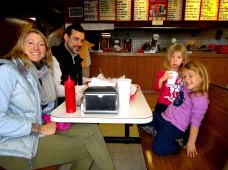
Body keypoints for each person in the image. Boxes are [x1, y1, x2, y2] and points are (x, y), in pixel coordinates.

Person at [0, 29, 114, 170]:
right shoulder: (7, 71)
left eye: (41, 44)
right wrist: (39, 128)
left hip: (38, 130)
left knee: (91, 129)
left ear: (46, 49)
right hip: (14, 147)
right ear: (20, 46)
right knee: (90, 147)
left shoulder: (36, 72)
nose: (36, 48)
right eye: (30, 43)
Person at [150, 61, 209, 157]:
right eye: (184, 76)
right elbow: (176, 75)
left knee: (158, 148)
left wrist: (191, 143)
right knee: (141, 118)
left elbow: (195, 122)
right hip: (163, 117)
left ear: (202, 77)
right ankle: (160, 132)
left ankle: (178, 143)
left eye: (190, 76)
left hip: (174, 126)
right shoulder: (186, 86)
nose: (186, 79)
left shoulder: (200, 99)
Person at [140, 44, 188, 135]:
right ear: (168, 58)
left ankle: (160, 131)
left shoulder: (184, 75)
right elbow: (157, 88)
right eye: (172, 57)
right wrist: (162, 79)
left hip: (174, 106)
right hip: (162, 104)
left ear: (183, 60)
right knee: (156, 119)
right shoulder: (163, 73)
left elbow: (186, 90)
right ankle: (156, 130)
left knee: (167, 124)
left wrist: (183, 79)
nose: (175, 60)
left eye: (179, 57)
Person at [51, 24, 84, 104]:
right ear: (66, 37)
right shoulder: (54, 56)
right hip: (61, 106)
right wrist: (83, 88)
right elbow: (56, 90)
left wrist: (93, 81)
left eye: (82, 40)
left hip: (75, 102)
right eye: (76, 39)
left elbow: (75, 78)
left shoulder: (75, 55)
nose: (80, 44)